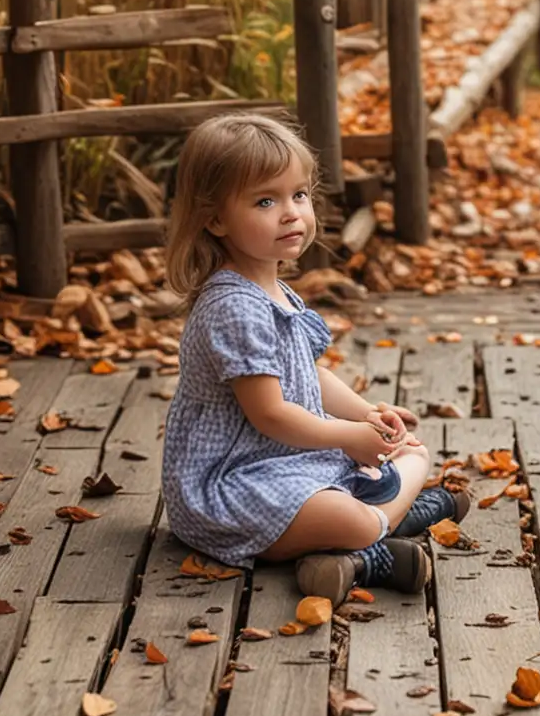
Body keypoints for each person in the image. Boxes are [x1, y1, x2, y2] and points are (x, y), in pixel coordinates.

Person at [162, 113, 467, 605]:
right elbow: (270, 412)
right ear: (215, 218)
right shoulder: (234, 307)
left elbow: (308, 372)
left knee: (412, 451)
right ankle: (376, 543)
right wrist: (348, 437)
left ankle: (354, 546)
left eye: (298, 195)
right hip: (231, 483)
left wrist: (365, 414)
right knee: (353, 515)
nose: (291, 213)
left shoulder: (269, 287)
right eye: (266, 200)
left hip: (284, 461)